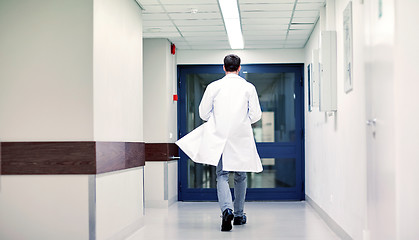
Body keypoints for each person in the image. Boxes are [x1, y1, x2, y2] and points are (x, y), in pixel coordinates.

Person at [175, 54, 263, 232]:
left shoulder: (214, 87)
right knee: (241, 176)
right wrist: (242, 120)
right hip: (241, 137)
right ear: (239, 68)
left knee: (222, 175)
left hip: (221, 136)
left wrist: (217, 119)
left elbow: (203, 113)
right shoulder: (248, 87)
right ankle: (238, 215)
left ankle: (226, 210)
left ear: (224, 67)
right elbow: (256, 115)